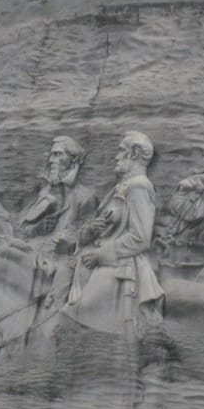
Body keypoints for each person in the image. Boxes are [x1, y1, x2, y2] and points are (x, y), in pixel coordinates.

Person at [64, 131, 165, 335]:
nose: (116, 156)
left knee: (75, 315)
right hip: (101, 262)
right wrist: (92, 230)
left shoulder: (139, 187)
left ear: (134, 153)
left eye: (121, 150)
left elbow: (140, 238)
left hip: (122, 267)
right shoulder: (120, 188)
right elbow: (106, 229)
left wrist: (101, 256)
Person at [17, 135, 100, 244]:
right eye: (51, 155)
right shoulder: (44, 192)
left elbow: (90, 237)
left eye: (57, 154)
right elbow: (21, 231)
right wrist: (37, 228)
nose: (51, 160)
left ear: (73, 159)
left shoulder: (86, 197)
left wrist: (66, 243)